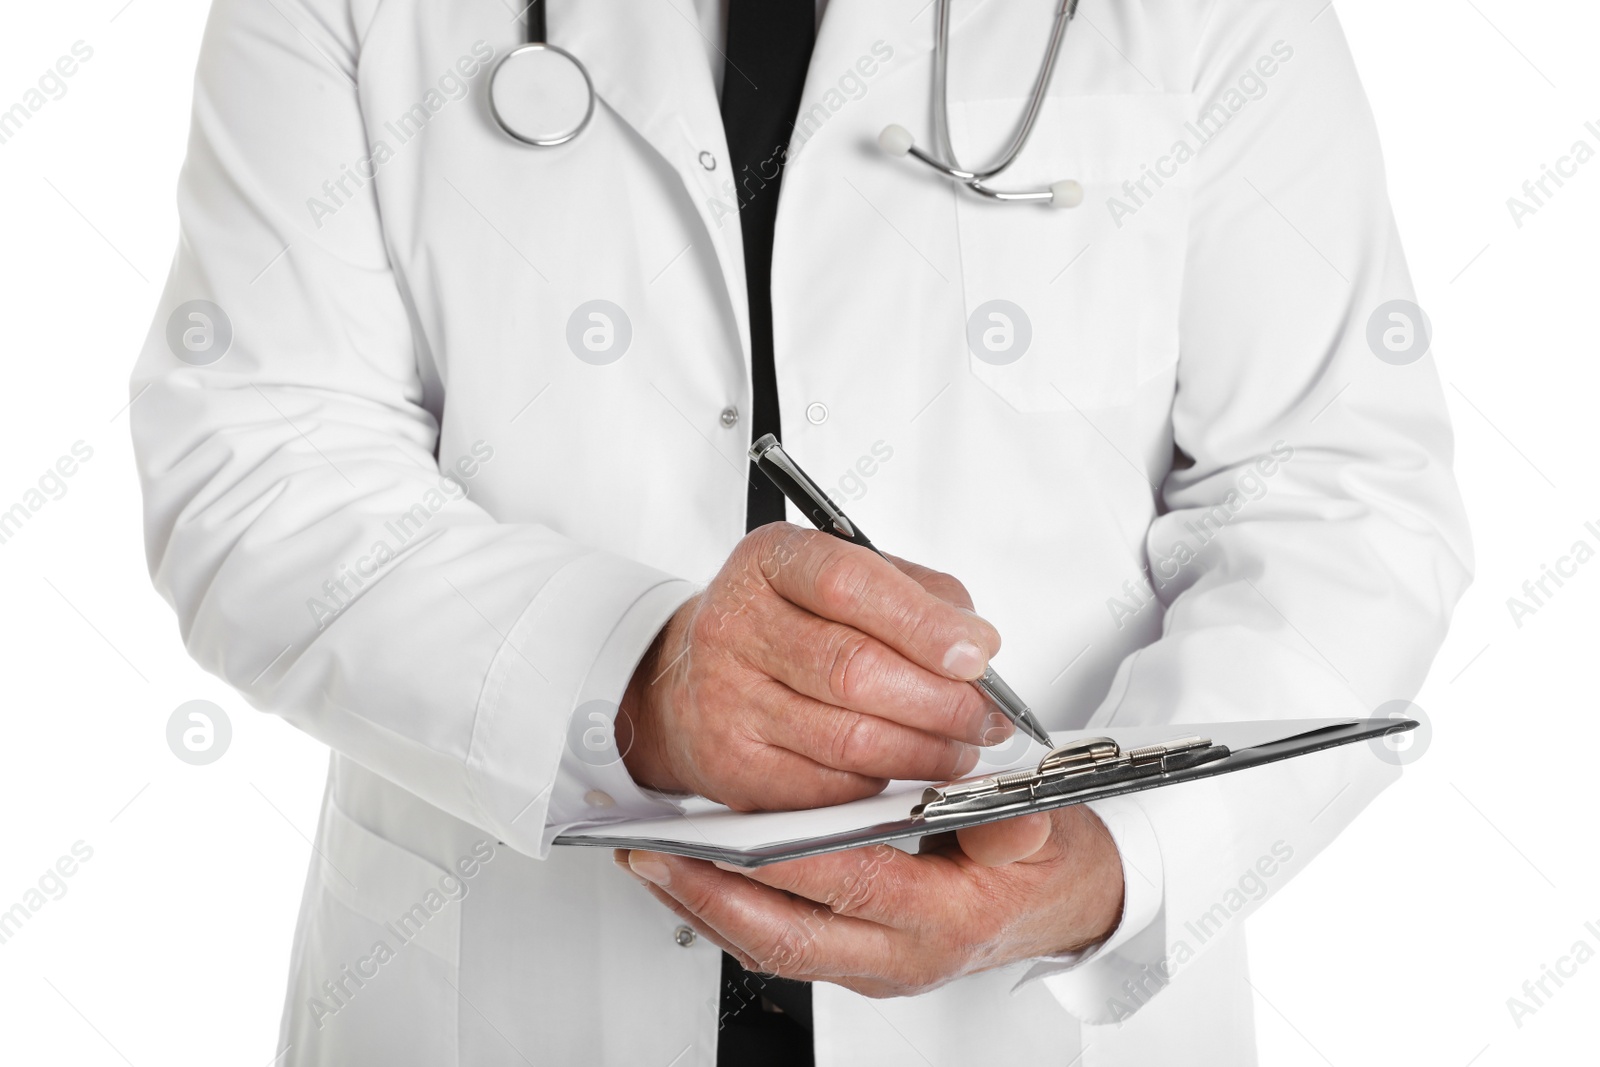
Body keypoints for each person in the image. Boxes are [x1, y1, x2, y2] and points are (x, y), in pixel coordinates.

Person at [129, 0, 1471, 1063]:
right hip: (496, 1002)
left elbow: (1339, 490)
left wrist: (1108, 864)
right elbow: (253, 466)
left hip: (1026, 1014)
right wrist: (629, 681)